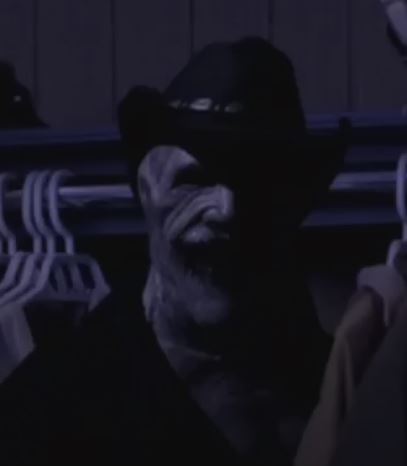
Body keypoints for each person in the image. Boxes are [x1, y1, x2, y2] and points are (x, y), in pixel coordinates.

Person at [0, 37, 346, 465]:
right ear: (146, 192)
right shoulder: (53, 406)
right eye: (194, 179)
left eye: (258, 182)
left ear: (295, 206)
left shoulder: (339, 380)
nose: (228, 208)